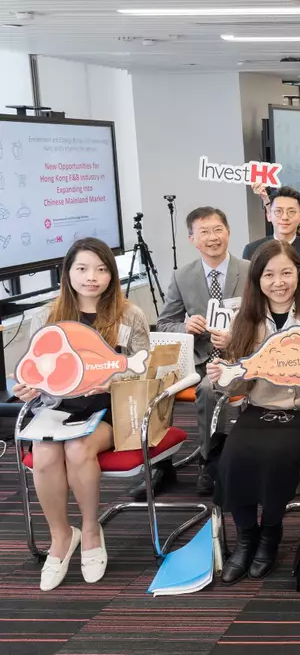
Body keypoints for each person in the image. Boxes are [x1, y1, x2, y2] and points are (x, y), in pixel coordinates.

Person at [208, 240, 300, 584]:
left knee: (276, 456)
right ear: (257, 280)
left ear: (299, 275)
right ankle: (246, 537)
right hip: (259, 408)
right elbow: (237, 385)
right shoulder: (246, 318)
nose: (278, 282)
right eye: (269, 275)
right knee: (232, 456)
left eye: (286, 273)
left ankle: (270, 534)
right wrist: (224, 376)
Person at [14, 238, 152, 591]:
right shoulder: (46, 316)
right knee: (44, 452)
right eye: (83, 269)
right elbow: (36, 370)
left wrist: (114, 379)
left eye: (101, 269)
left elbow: (145, 368)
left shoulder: (129, 314)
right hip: (57, 409)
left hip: (110, 409)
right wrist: (27, 387)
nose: (92, 277)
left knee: (78, 448)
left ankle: (91, 529)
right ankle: (61, 535)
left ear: (111, 275)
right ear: (68, 272)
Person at [157, 206, 250, 496]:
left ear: (228, 232)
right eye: (204, 232)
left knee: (209, 389)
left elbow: (265, 317)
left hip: (237, 355)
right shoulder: (182, 276)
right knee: (156, 383)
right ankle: (160, 463)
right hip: (196, 357)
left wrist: (236, 336)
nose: (212, 238)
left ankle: (209, 460)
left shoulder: (250, 271)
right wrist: (185, 326)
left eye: (218, 230)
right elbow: (164, 323)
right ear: (192, 239)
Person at [243, 186, 300, 270]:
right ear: (269, 216)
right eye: (278, 211)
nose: (284, 217)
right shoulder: (252, 250)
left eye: (291, 212)